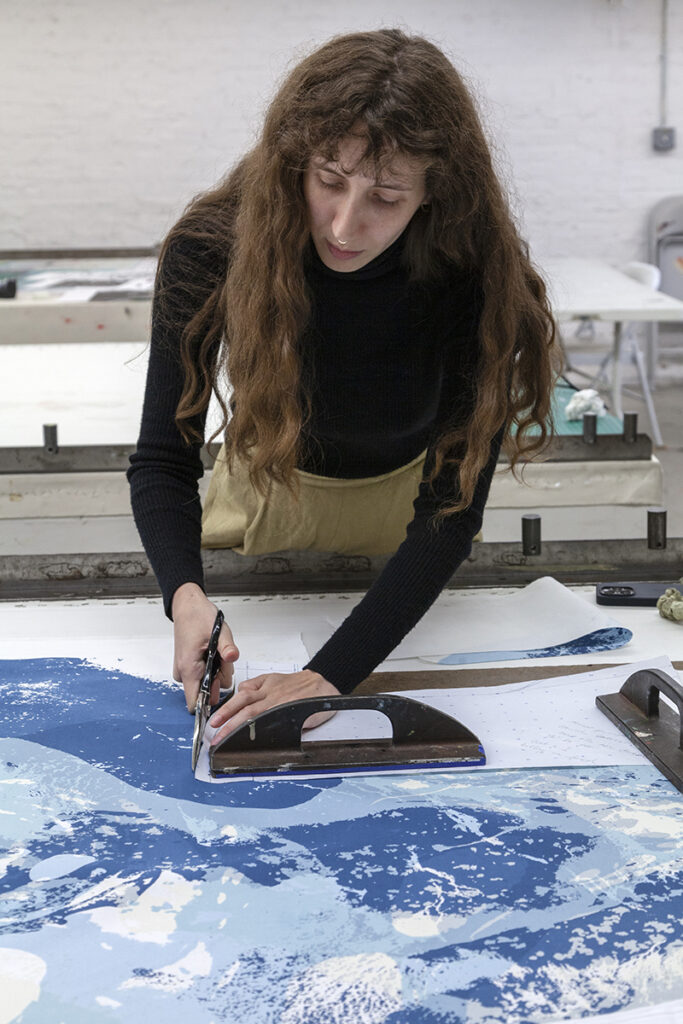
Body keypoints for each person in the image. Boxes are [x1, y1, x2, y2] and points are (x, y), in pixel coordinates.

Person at [127, 28, 557, 747]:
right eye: (327, 180)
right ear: (293, 160)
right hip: (263, 500)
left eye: (386, 197)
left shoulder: (469, 270)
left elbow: (449, 510)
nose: (344, 225)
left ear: (433, 195)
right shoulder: (210, 248)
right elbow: (163, 457)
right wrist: (186, 596)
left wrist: (329, 674)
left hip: (409, 521)